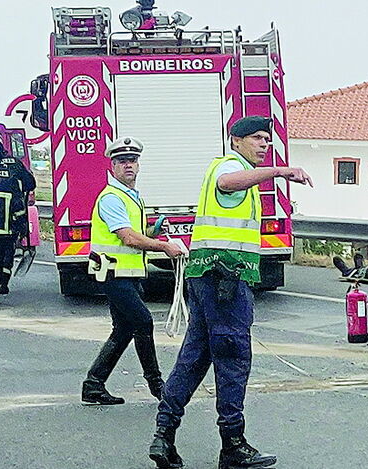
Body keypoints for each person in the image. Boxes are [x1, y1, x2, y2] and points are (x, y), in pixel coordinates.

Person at [150, 116, 312, 469]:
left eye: (267, 139)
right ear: (235, 141)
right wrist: (279, 171)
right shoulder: (229, 167)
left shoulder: (237, 173)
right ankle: (233, 444)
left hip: (208, 277)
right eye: (256, 138)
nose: (264, 144)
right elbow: (228, 182)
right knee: (234, 357)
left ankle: (164, 434)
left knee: (194, 358)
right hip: (224, 280)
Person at [82, 137, 187, 405]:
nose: (128, 165)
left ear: (138, 166)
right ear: (113, 166)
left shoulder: (131, 196)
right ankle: (158, 386)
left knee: (123, 330)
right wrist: (163, 246)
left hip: (127, 274)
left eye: (132, 161)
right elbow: (128, 238)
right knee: (142, 322)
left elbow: (137, 235)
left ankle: (93, 385)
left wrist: (153, 231)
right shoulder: (112, 198)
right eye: (122, 161)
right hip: (114, 274)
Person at [0, 130, 35, 302]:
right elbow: (30, 184)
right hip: (6, 228)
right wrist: (22, 225)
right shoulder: (13, 165)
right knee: (4, 257)